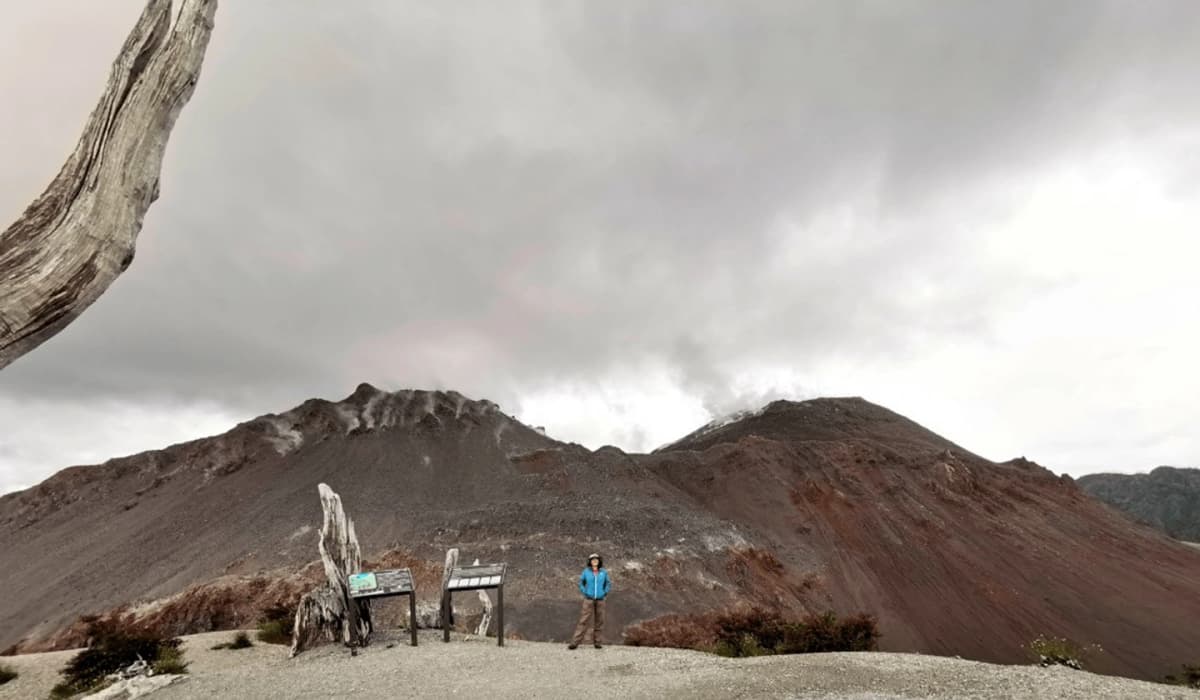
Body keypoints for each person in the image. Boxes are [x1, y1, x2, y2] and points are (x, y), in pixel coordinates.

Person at [568, 552, 611, 649]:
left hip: (600, 600)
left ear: (599, 561)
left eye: (596, 559)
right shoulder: (586, 572)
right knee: (584, 620)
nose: (595, 561)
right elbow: (581, 583)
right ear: (590, 561)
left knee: (599, 621)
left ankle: (597, 642)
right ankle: (574, 643)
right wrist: (585, 592)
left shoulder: (603, 572)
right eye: (593, 560)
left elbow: (608, 583)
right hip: (588, 600)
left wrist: (604, 592)